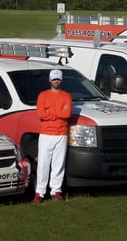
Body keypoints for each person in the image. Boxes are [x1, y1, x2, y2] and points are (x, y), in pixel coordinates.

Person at [34, 69, 72, 203]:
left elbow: (67, 114)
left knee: (58, 164)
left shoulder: (66, 95)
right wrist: (58, 112)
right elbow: (40, 114)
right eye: (54, 79)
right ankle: (40, 192)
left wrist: (50, 111)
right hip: (46, 134)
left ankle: (56, 190)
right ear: (49, 80)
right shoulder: (43, 95)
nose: (56, 81)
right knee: (43, 164)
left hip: (61, 134)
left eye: (58, 79)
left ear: (61, 80)